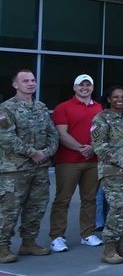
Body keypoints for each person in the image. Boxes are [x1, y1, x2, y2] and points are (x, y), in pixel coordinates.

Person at [0, 70, 58, 264]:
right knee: (9, 210)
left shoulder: (41, 107)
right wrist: (34, 153)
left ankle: (28, 242)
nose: (31, 83)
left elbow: (53, 134)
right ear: (15, 85)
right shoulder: (6, 108)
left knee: (37, 207)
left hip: (39, 169)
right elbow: (6, 138)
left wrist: (47, 153)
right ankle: (2, 246)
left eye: (33, 80)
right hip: (15, 170)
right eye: (25, 81)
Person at [49, 74, 103, 253]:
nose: (85, 88)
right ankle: (57, 236)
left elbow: (104, 133)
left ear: (93, 88)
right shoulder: (63, 107)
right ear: (75, 87)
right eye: (81, 85)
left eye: (88, 85)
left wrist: (93, 148)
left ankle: (87, 234)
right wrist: (82, 148)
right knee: (63, 199)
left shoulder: (99, 108)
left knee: (89, 199)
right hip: (68, 161)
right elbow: (61, 134)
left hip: (93, 161)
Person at [91, 85, 123, 265]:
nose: (120, 99)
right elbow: (100, 148)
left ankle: (120, 245)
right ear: (108, 99)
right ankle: (109, 248)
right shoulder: (101, 119)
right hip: (113, 172)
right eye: (115, 97)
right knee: (118, 207)